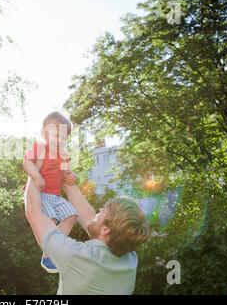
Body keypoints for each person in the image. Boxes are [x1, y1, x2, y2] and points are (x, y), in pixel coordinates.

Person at [24, 176, 151, 294]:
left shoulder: (75, 257)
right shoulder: (130, 259)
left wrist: (33, 171)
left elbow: (33, 211)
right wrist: (67, 180)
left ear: (106, 229)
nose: (100, 210)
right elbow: (90, 219)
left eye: (103, 211)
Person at [22, 111, 78, 273]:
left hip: (56, 196)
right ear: (43, 134)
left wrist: (73, 176)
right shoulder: (39, 148)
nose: (59, 140)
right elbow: (27, 163)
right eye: (55, 136)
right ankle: (49, 255)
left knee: (71, 216)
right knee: (50, 219)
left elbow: (68, 172)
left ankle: (53, 249)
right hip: (41, 193)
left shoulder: (62, 155)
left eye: (63, 137)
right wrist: (36, 175)